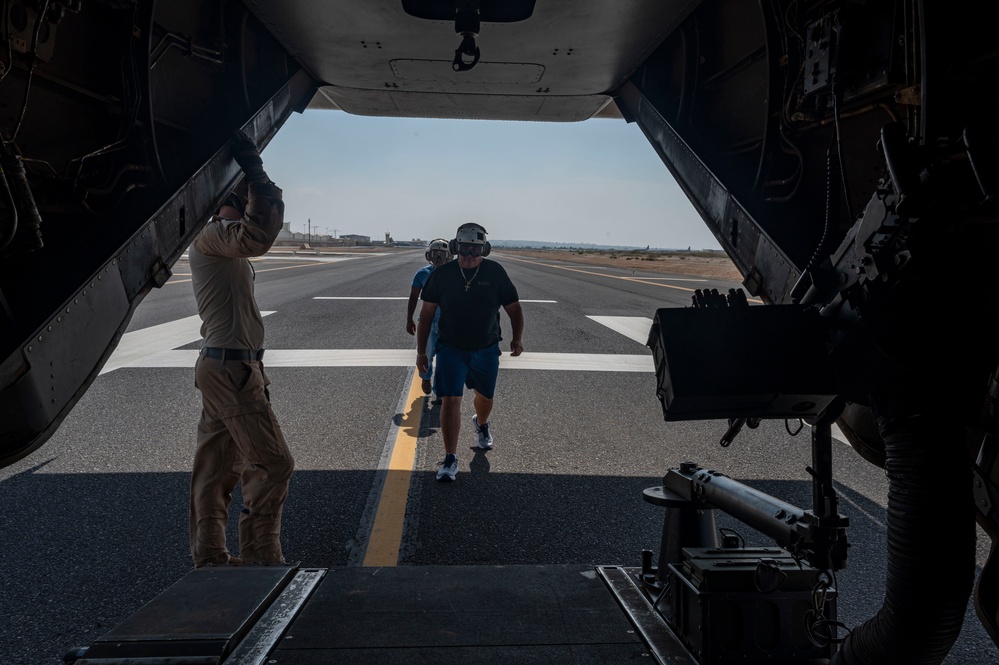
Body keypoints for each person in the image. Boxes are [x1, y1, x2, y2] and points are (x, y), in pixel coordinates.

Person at [188, 130, 294, 567]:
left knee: (217, 468)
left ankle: (210, 555)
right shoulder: (214, 235)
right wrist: (256, 173)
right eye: (244, 199)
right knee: (273, 464)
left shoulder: (218, 241)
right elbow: (257, 235)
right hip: (231, 370)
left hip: (228, 366)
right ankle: (260, 561)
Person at [416, 222, 524, 481]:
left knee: (485, 398)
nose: (469, 256)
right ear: (456, 248)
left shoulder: (495, 273)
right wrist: (422, 352)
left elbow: (514, 308)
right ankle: (450, 458)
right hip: (450, 347)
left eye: (475, 250)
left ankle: (482, 424)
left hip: (485, 348)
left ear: (484, 251)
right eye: (464, 249)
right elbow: (427, 314)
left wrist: (517, 338)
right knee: (451, 400)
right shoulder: (441, 275)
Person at [406, 238, 452, 399]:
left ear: (448, 256)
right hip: (428, 322)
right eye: (435, 254)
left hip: (449, 322)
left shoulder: (455, 273)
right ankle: (426, 378)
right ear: (429, 255)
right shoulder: (422, 273)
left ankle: (440, 391)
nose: (438, 257)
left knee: (446, 358)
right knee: (426, 353)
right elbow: (413, 296)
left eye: (442, 254)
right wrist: (409, 319)